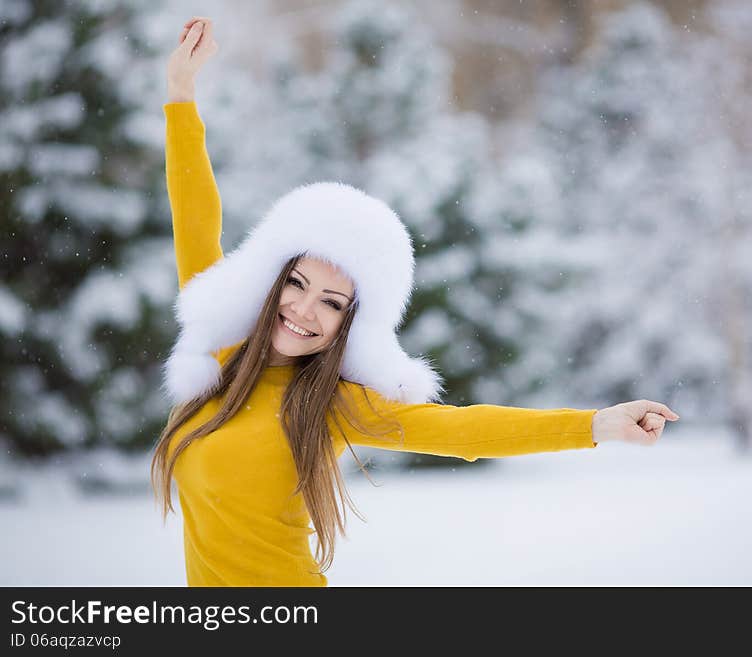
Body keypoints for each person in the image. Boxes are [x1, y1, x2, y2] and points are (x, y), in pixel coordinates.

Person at [151, 17, 680, 587]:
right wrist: (181, 91)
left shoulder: (330, 404)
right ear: (272, 280)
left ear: (348, 327)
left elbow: (465, 431)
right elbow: (196, 221)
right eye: (298, 285)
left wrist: (597, 424)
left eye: (332, 304)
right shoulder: (219, 353)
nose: (305, 310)